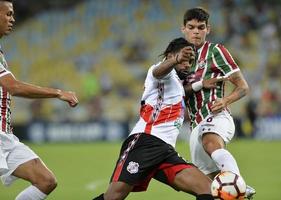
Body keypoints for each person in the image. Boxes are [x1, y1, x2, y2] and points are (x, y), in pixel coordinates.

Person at [93, 38, 219, 200]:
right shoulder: (161, 72)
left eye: (190, 61)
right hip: (145, 141)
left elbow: (180, 92)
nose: (187, 65)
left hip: (165, 150)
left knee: (208, 189)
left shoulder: (175, 82)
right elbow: (158, 72)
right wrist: (175, 60)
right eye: (185, 59)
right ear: (170, 56)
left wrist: (200, 84)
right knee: (113, 197)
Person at [0, 0, 79, 199]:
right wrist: (58, 93)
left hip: (5, 138)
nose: (13, 19)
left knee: (46, 180)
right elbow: (13, 86)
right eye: (8, 14)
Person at [180, 7, 256, 199]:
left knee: (211, 141)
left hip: (216, 115)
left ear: (208, 29)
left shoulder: (216, 51)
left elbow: (243, 87)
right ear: (183, 29)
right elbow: (175, 92)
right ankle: (235, 191)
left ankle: (237, 181)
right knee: (211, 187)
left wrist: (226, 100)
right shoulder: (177, 58)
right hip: (195, 125)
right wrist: (199, 85)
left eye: (201, 27)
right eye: (191, 27)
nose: (196, 31)